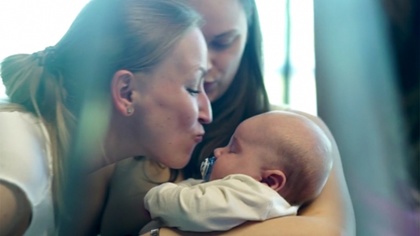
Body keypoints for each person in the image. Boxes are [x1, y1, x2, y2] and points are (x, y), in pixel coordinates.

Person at [101, 0, 355, 235]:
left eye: (222, 43)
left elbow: (329, 232)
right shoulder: (121, 125)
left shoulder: (300, 135)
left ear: (248, 36)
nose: (205, 63)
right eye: (189, 41)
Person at [0, 0, 212, 235]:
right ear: (126, 93)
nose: (207, 114)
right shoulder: (20, 174)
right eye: (193, 88)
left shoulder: (51, 165)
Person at [142, 111, 333, 232]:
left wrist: (157, 196)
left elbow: (191, 208)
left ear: (269, 181)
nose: (218, 151)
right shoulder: (250, 199)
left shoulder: (256, 196)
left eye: (233, 149)